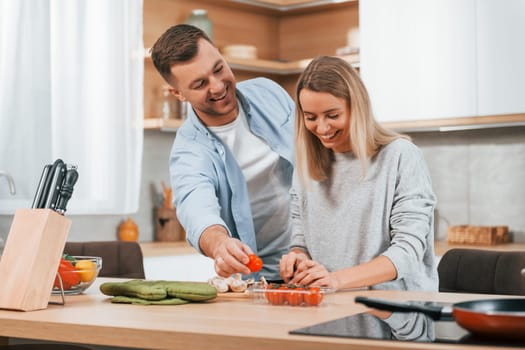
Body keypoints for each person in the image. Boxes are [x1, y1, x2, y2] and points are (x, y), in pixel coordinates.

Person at [279, 56, 437, 291]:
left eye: (333, 115)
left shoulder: (400, 156)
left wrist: (336, 280)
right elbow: (301, 240)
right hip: (333, 305)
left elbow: (408, 251)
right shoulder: (306, 167)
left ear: (358, 107)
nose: (321, 128)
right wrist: (298, 257)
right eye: (311, 117)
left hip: (400, 312)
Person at [150, 24, 295, 281]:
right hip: (270, 277)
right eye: (200, 83)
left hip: (330, 258)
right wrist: (219, 244)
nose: (217, 86)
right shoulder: (189, 150)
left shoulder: (268, 92)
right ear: (178, 93)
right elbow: (196, 209)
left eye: (218, 69)